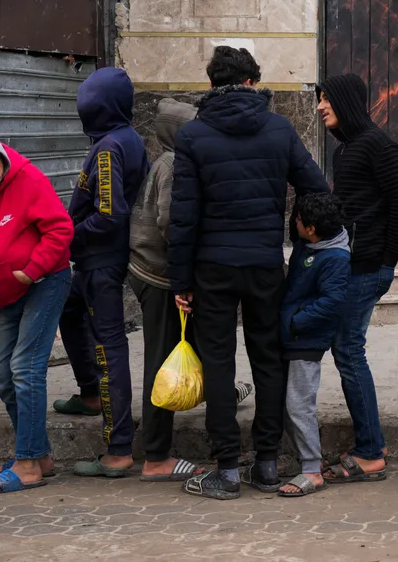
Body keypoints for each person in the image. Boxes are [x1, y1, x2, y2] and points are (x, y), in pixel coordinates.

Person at [169, 46, 329, 500]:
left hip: (211, 269)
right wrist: (299, 241)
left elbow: (184, 217)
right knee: (268, 361)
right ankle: (265, 463)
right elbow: (315, 187)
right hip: (263, 265)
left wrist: (181, 281)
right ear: (252, 83)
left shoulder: (194, 135)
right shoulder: (279, 129)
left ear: (210, 85)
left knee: (219, 365)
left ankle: (226, 469)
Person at [128, 98, 251, 482]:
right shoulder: (176, 164)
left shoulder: (168, 159)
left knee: (200, 342)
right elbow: (170, 223)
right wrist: (190, 274)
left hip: (156, 270)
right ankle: (156, 456)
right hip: (161, 276)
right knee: (162, 359)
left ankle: (223, 393)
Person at [0, 125, 74, 494]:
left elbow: (61, 228)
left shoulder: (27, 178)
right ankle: (40, 456)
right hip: (9, 288)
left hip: (46, 280)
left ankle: (27, 465)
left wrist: (31, 270)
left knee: (25, 366)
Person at [315, 73, 398, 483]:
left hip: (367, 266)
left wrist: (386, 264)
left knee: (349, 351)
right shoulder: (348, 149)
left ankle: (371, 453)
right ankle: (374, 441)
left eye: (326, 99)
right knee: (347, 350)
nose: (320, 106)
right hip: (351, 265)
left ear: (345, 102)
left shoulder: (377, 145)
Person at [56, 68, 149, 479]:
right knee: (68, 309)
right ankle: (91, 393)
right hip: (94, 261)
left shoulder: (111, 147)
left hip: (100, 262)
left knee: (109, 351)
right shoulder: (123, 138)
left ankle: (119, 448)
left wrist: (68, 237)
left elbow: (110, 215)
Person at [278, 192, 351, 498]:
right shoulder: (308, 245)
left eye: (297, 220)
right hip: (292, 333)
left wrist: (297, 321)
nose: (293, 222)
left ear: (310, 227)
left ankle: (311, 469)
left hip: (305, 338)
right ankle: (302, 459)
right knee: (288, 402)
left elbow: (333, 301)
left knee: (298, 403)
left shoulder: (335, 258)